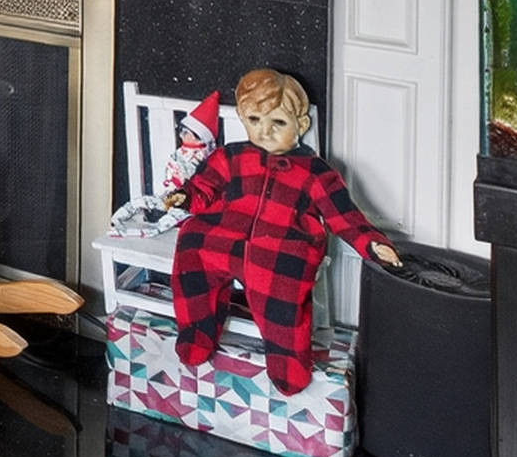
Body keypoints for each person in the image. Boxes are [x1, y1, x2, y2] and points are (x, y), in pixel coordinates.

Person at [165, 68, 401, 393]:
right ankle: (197, 334)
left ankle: (287, 365)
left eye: (278, 123)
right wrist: (185, 196)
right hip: (225, 232)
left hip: (281, 245)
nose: (264, 132)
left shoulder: (315, 171)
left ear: (301, 126)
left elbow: (342, 214)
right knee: (193, 248)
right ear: (242, 118)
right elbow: (204, 187)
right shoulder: (231, 155)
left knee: (281, 303)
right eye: (254, 120)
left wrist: (371, 243)